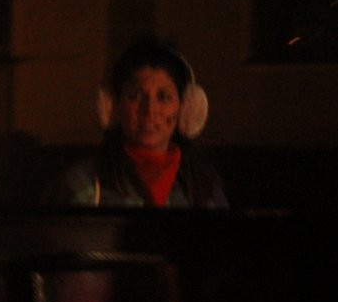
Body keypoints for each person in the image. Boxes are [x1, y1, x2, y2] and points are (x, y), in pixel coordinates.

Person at [51, 36, 227, 208]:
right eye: (135, 96)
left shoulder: (204, 187)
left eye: (163, 97)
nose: (149, 110)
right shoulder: (84, 183)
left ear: (186, 109)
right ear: (113, 107)